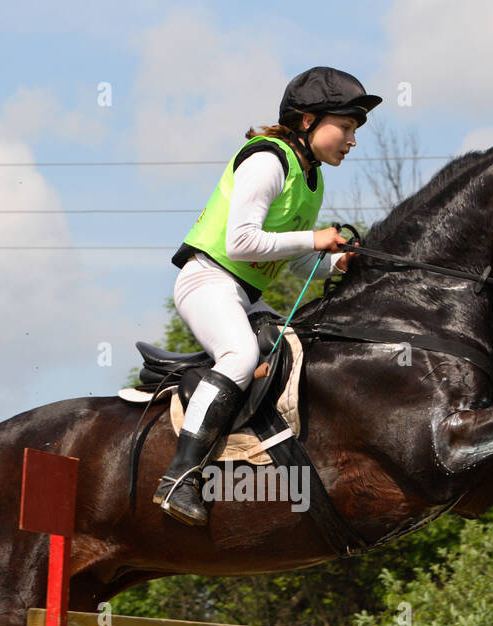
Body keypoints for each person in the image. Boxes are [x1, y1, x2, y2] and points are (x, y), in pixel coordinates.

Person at [153, 66, 381, 526]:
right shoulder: (268, 160)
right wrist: (316, 240)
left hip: (243, 293)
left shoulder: (312, 181)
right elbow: (241, 243)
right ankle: (178, 477)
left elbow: (293, 260)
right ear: (307, 120)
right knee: (238, 357)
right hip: (207, 279)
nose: (352, 140)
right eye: (347, 127)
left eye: (355, 130)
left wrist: (339, 263)